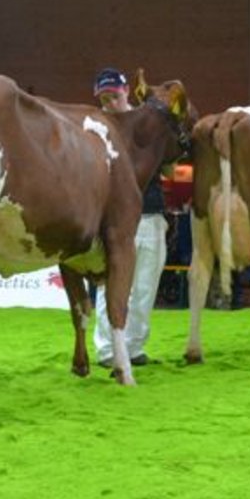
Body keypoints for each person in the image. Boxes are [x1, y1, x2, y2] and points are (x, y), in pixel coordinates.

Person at [92, 67, 167, 368]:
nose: (110, 101)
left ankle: (135, 347)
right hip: (113, 219)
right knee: (111, 283)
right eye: (104, 97)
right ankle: (108, 350)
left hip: (151, 211)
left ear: (126, 91)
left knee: (146, 285)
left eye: (114, 93)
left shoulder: (148, 125)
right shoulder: (98, 127)